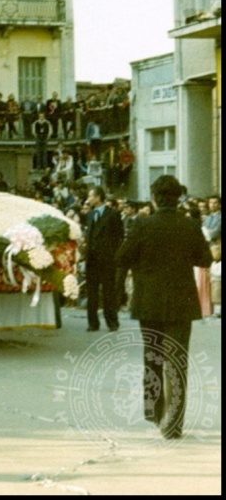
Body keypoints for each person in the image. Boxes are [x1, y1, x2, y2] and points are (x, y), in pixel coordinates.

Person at [115, 175, 213, 440]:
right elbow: (205, 259)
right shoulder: (190, 225)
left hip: (149, 301)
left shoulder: (142, 225)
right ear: (178, 197)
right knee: (178, 362)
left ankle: (154, 413)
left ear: (154, 197)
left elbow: (122, 257)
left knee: (152, 357)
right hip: (182, 301)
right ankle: (174, 423)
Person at [85, 186, 124, 332]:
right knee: (92, 293)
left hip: (107, 259)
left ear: (98, 197)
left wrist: (113, 254)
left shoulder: (112, 214)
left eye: (90, 196)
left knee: (108, 292)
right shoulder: (90, 215)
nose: (88, 199)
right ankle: (92, 322)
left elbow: (119, 236)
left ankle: (112, 321)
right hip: (92, 259)